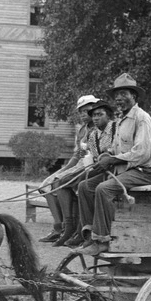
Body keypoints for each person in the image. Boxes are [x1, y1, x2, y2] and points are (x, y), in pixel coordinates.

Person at [76, 73, 151, 256]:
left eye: (124, 94)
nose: (119, 98)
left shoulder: (141, 118)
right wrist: (106, 158)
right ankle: (90, 234)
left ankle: (102, 239)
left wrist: (112, 160)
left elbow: (142, 152)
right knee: (84, 186)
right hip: (122, 169)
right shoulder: (121, 119)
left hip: (142, 171)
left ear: (134, 96)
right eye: (117, 95)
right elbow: (115, 149)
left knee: (103, 189)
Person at [38, 94, 99, 244]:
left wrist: (62, 175)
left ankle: (68, 227)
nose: (84, 114)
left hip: (90, 166)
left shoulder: (100, 127)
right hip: (79, 164)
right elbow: (77, 155)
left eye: (87, 110)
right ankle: (59, 227)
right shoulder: (82, 130)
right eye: (81, 112)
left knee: (60, 183)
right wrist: (62, 170)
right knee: (46, 185)